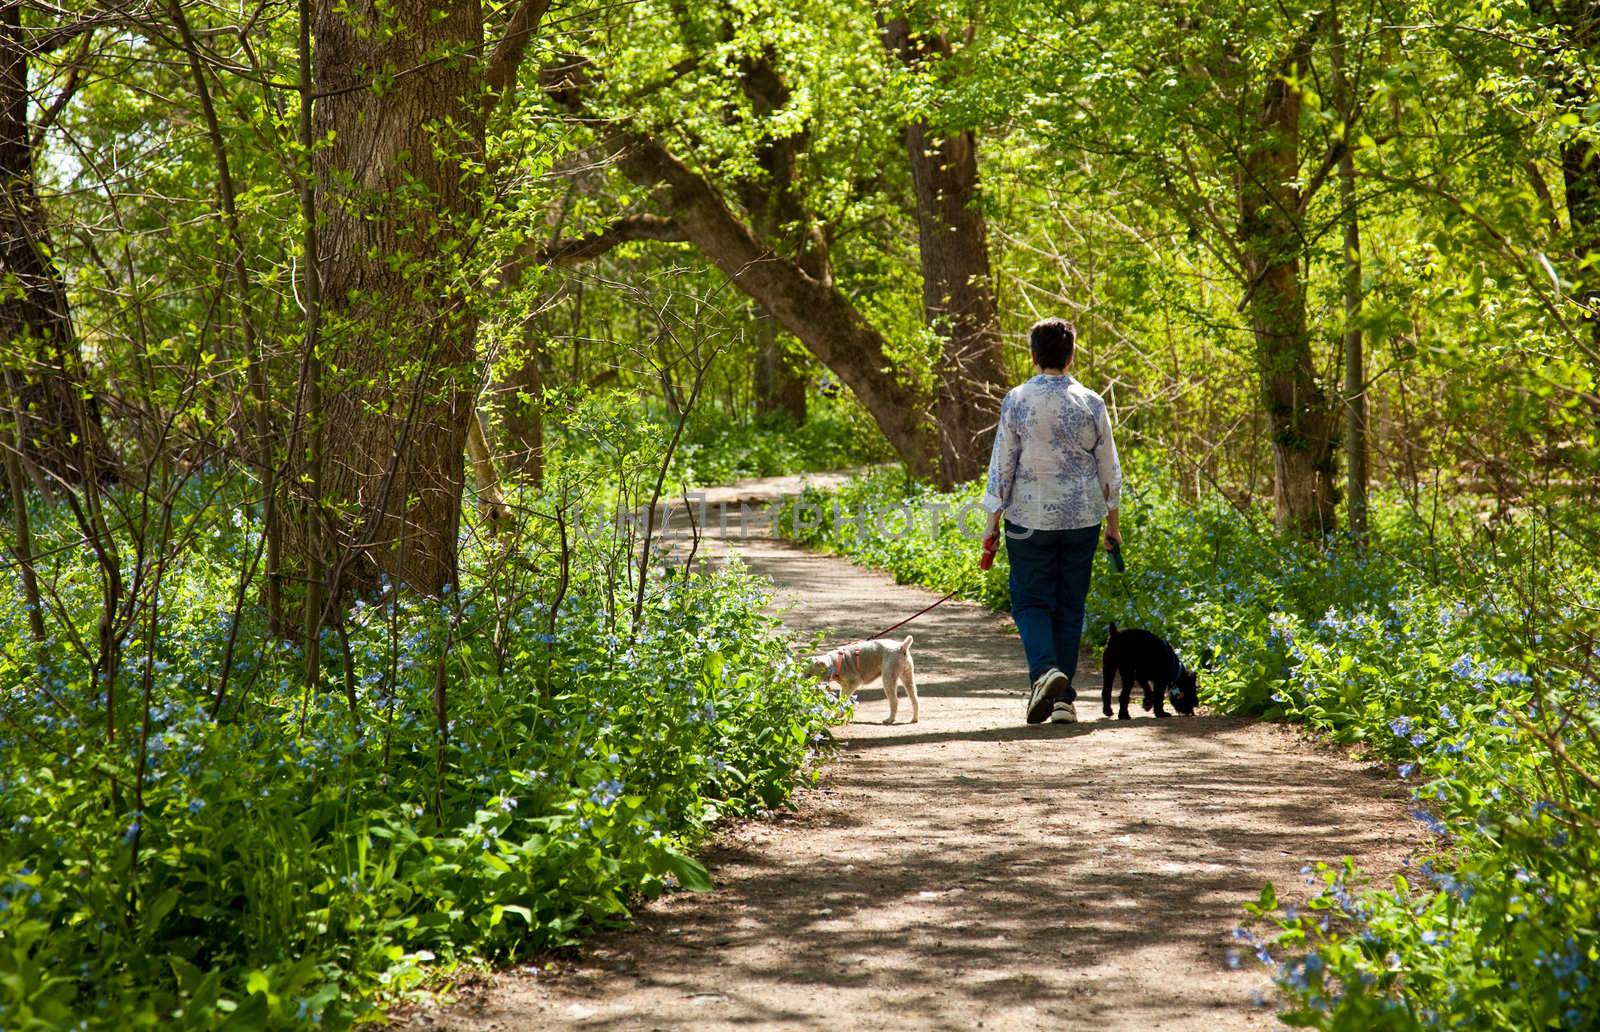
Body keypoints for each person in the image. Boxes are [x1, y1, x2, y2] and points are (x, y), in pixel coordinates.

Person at [981, 318, 1122, 725]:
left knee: (1030, 602)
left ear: (1034, 355)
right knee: (1069, 604)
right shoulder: (1092, 402)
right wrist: (1112, 526)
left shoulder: (1018, 399)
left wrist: (991, 525)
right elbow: (1109, 470)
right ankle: (1064, 700)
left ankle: (1045, 673)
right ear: (1071, 354)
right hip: (1081, 519)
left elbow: (1002, 467)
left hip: (1028, 518)